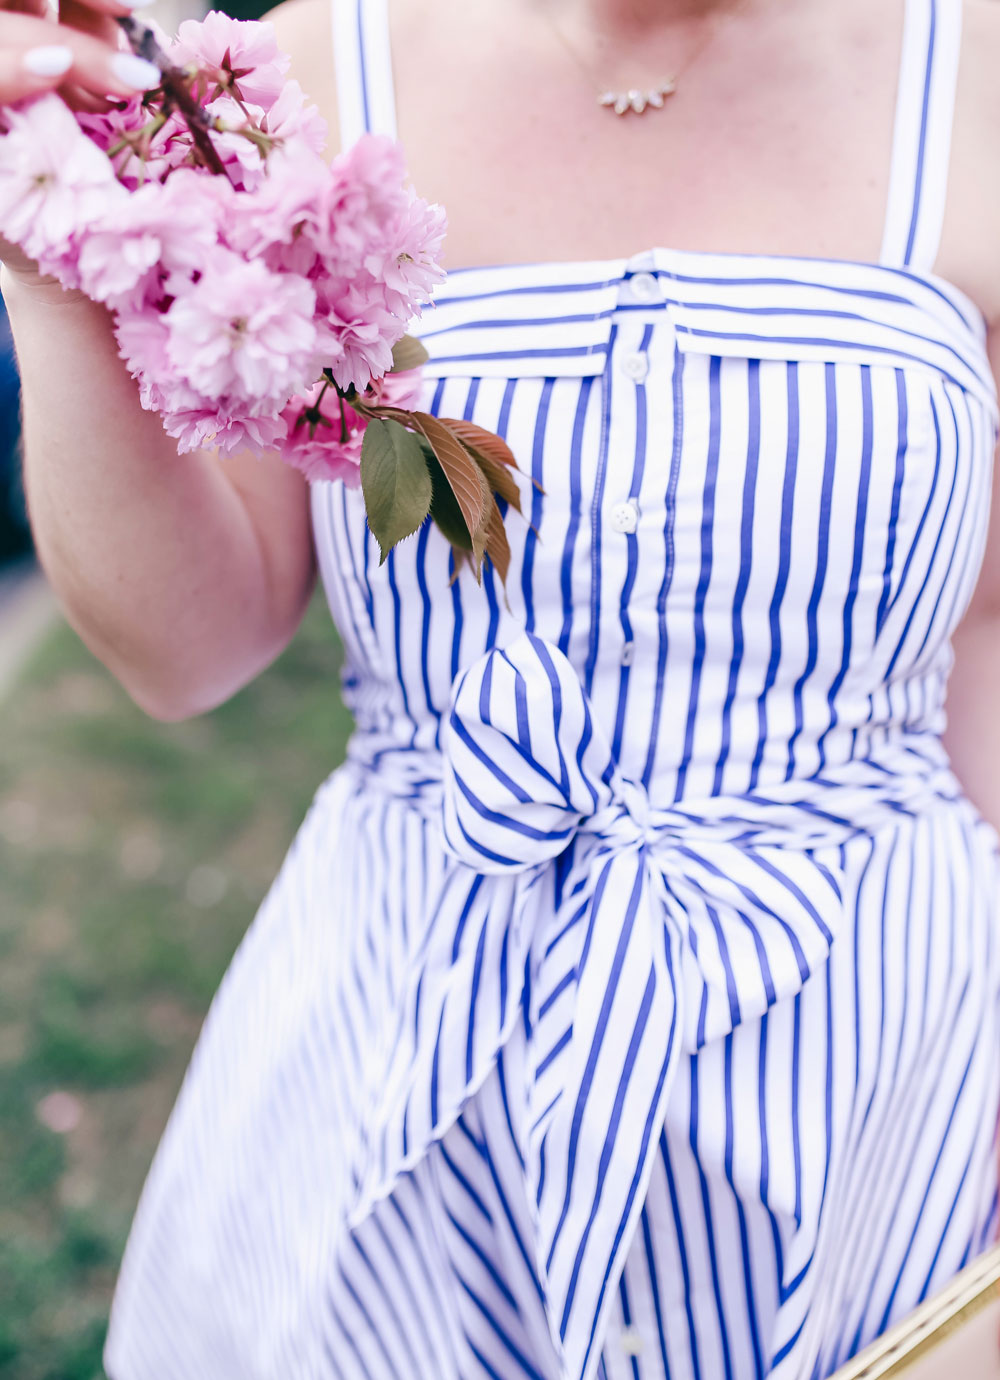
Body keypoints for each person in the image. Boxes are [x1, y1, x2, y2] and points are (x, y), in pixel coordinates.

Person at [2, 0, 999, 1375]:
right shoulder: (293, 82)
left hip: (870, 1078)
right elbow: (191, 649)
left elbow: (992, 637)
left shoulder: (974, 74)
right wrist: (56, 265)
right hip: (407, 1039)